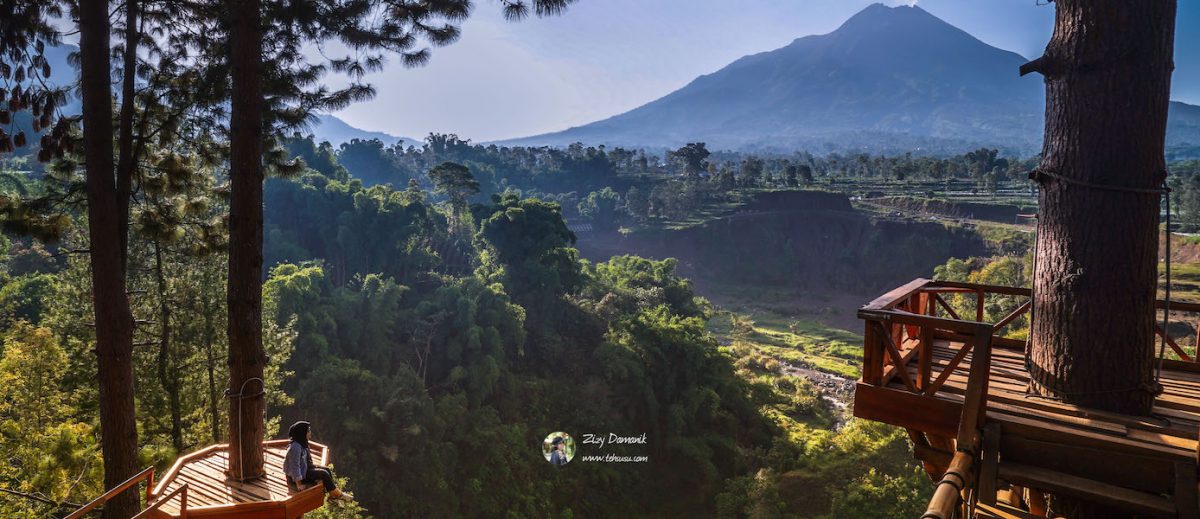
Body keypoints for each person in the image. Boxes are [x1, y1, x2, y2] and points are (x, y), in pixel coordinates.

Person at [283, 421, 353, 502]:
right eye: (308, 431)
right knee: (324, 474)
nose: (310, 433)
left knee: (327, 469)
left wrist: (314, 468)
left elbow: (306, 460)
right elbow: (295, 467)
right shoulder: (295, 448)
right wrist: (299, 485)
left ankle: (333, 496)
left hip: (305, 468)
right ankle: (338, 495)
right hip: (296, 477)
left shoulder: (302, 442)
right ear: (302, 433)